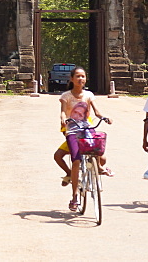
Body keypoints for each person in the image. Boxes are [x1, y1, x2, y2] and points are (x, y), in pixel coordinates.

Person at [53, 66, 112, 212]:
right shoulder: (66, 96)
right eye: (78, 76)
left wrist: (104, 117)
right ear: (72, 79)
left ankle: (97, 168)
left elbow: (97, 111)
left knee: (99, 152)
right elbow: (62, 112)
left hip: (87, 128)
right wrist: (63, 120)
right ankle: (74, 197)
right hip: (72, 130)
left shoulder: (89, 95)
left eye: (83, 76)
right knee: (76, 160)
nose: (81, 79)